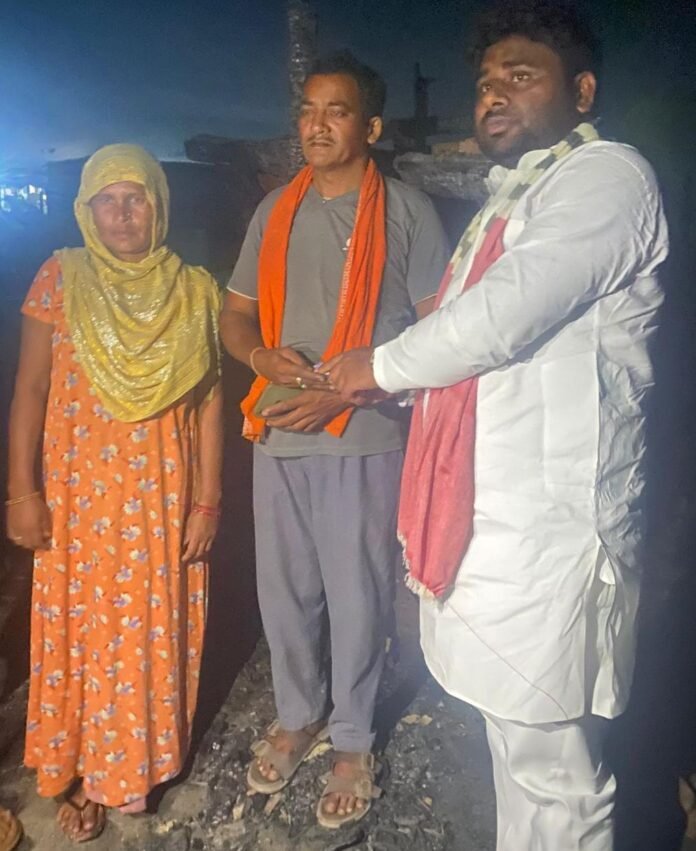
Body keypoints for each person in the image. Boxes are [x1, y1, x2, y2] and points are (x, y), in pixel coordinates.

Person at [324, 3, 669, 849]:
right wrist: (390, 387)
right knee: (514, 746)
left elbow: (504, 314)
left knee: (558, 774)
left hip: (555, 529)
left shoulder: (607, 177)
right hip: (494, 522)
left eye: (521, 75)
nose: (493, 94)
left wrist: (381, 366)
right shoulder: (511, 201)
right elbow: (471, 353)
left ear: (581, 92)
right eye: (484, 82)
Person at [220, 51, 448, 828]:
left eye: (337, 110)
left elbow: (441, 331)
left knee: (359, 594)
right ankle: (297, 713)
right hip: (280, 433)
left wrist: (351, 390)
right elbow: (236, 314)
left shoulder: (408, 212)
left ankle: (353, 738)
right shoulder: (274, 212)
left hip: (365, 434)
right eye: (308, 110)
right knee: (284, 591)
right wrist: (260, 358)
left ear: (371, 126)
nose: (316, 125)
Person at [6, 144, 222, 842]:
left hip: (161, 498)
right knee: (81, 632)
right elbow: (30, 390)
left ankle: (126, 770)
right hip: (78, 497)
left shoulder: (195, 290)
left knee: (144, 633)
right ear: (86, 210)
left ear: (159, 206)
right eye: (108, 200)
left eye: (137, 199)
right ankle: (76, 768)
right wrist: (21, 492)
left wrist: (208, 500)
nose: (123, 214)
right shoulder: (60, 277)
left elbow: (210, 404)